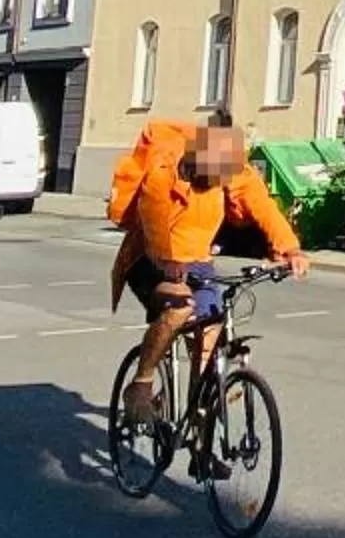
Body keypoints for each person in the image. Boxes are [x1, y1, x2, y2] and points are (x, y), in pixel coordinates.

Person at [112, 116, 308, 426]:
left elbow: (260, 204)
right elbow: (154, 221)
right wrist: (169, 264)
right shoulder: (165, 173)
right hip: (149, 259)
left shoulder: (229, 170)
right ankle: (141, 383)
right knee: (179, 308)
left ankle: (199, 443)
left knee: (209, 343)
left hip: (198, 260)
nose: (219, 184)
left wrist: (290, 249)